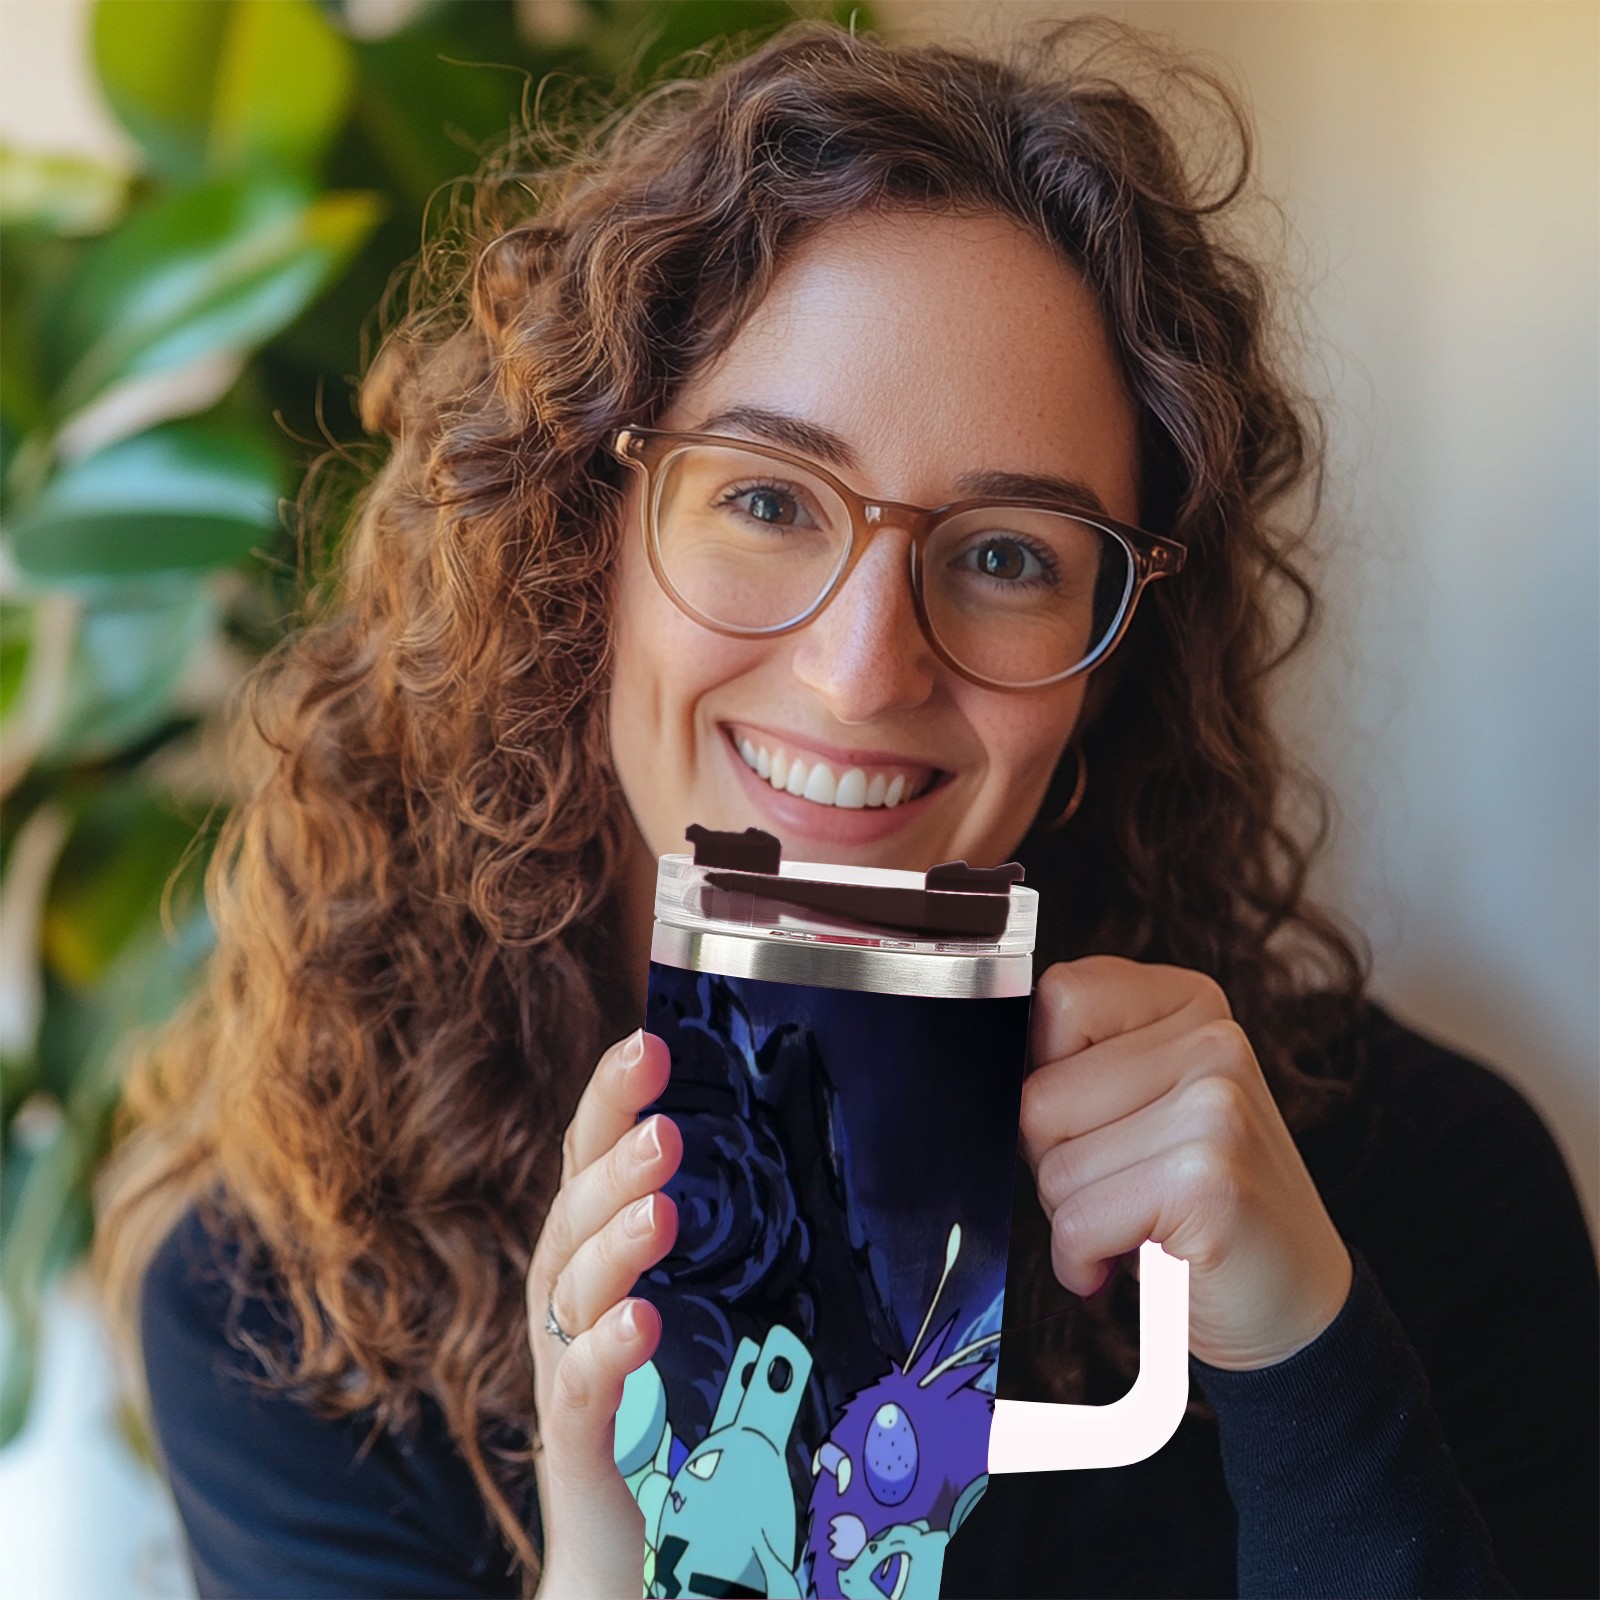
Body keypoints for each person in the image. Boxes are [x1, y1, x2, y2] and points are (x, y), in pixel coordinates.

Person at [96, 18, 1597, 1600]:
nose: (864, 670)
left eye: (1007, 554)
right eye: (765, 499)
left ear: (1113, 663)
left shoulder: (1418, 1193)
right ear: (579, 551)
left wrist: (1306, 1369)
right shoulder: (293, 1302)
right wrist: (611, 1559)